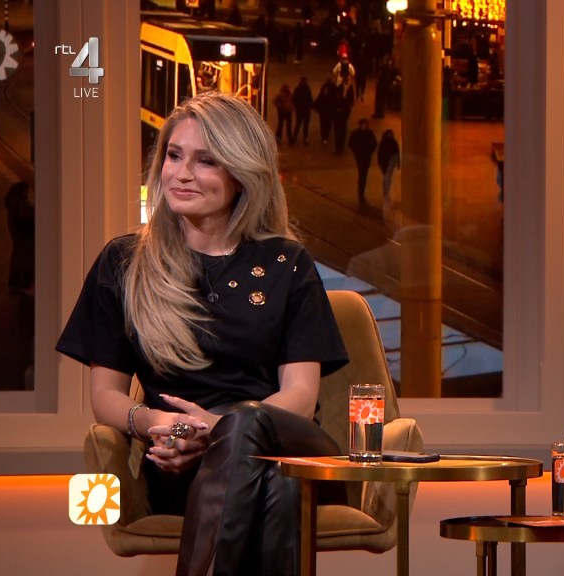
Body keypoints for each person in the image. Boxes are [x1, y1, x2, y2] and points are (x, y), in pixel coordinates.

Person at [56, 91, 351, 576]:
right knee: (279, 488)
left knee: (257, 434)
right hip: (182, 463)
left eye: (206, 161)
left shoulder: (286, 262)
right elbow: (105, 396)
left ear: (242, 174)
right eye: (174, 156)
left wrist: (219, 429)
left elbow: (300, 397)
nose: (182, 173)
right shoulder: (125, 263)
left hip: (292, 449)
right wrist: (161, 426)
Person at [4, 181, 35, 291]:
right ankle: (24, 283)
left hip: (18, 235)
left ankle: (15, 282)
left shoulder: (13, 202)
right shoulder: (19, 202)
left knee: (18, 259)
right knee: (25, 260)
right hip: (24, 235)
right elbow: (27, 216)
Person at [348, 118, 377, 204]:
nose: (367, 126)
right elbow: (351, 144)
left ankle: (361, 194)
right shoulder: (356, 133)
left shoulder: (369, 133)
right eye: (365, 124)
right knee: (362, 174)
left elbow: (374, 143)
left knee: (363, 174)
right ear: (361, 125)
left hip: (367, 157)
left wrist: (370, 150)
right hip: (360, 157)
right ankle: (361, 194)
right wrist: (357, 151)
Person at [333, 77, 355, 155]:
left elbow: (351, 97)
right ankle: (338, 148)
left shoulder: (350, 88)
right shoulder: (339, 88)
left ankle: (340, 147)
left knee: (341, 133)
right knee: (338, 134)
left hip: (342, 119)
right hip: (338, 120)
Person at [376, 129, 400, 201]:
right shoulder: (386, 142)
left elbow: (397, 153)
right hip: (386, 162)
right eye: (390, 134)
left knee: (387, 177)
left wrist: (398, 163)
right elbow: (396, 153)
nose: (391, 135)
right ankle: (386, 192)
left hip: (388, 162)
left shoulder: (390, 142)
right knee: (387, 177)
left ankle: (386, 192)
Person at [291, 76, 314, 146]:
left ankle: (297, 138)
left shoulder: (300, 89)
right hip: (303, 110)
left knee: (300, 125)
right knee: (301, 125)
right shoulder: (304, 89)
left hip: (302, 110)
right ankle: (302, 138)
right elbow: (310, 99)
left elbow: (294, 99)